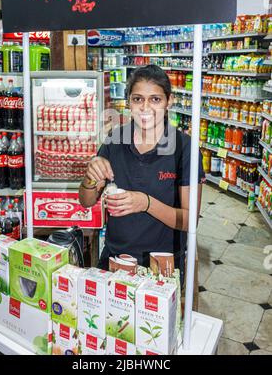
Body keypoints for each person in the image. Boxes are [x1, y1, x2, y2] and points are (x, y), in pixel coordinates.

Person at [79, 65, 204, 286]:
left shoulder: (185, 149)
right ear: (128, 102)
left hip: (162, 263)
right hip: (115, 258)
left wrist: (145, 203)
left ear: (169, 101)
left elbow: (189, 220)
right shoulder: (114, 140)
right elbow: (86, 201)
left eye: (155, 99)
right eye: (138, 99)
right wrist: (90, 177)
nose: (145, 107)